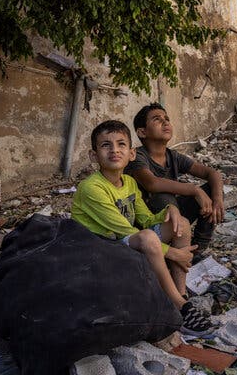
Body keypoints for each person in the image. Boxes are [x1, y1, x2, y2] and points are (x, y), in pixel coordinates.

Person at [71, 120, 213, 335]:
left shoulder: (128, 182)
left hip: (121, 243)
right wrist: (174, 253)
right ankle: (179, 306)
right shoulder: (91, 187)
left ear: (131, 154)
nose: (114, 150)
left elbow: (146, 218)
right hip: (98, 251)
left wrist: (169, 211)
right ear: (93, 156)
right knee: (146, 237)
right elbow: (125, 231)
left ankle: (181, 297)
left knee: (180, 223)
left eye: (121, 144)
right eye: (106, 145)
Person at [125, 103, 224, 261]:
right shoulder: (136, 156)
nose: (165, 122)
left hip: (174, 219)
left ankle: (197, 249)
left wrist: (217, 199)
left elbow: (212, 173)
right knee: (164, 195)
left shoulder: (173, 156)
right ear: (142, 132)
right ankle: (169, 254)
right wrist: (194, 190)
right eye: (157, 119)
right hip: (147, 225)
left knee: (211, 190)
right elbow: (152, 183)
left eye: (167, 119)